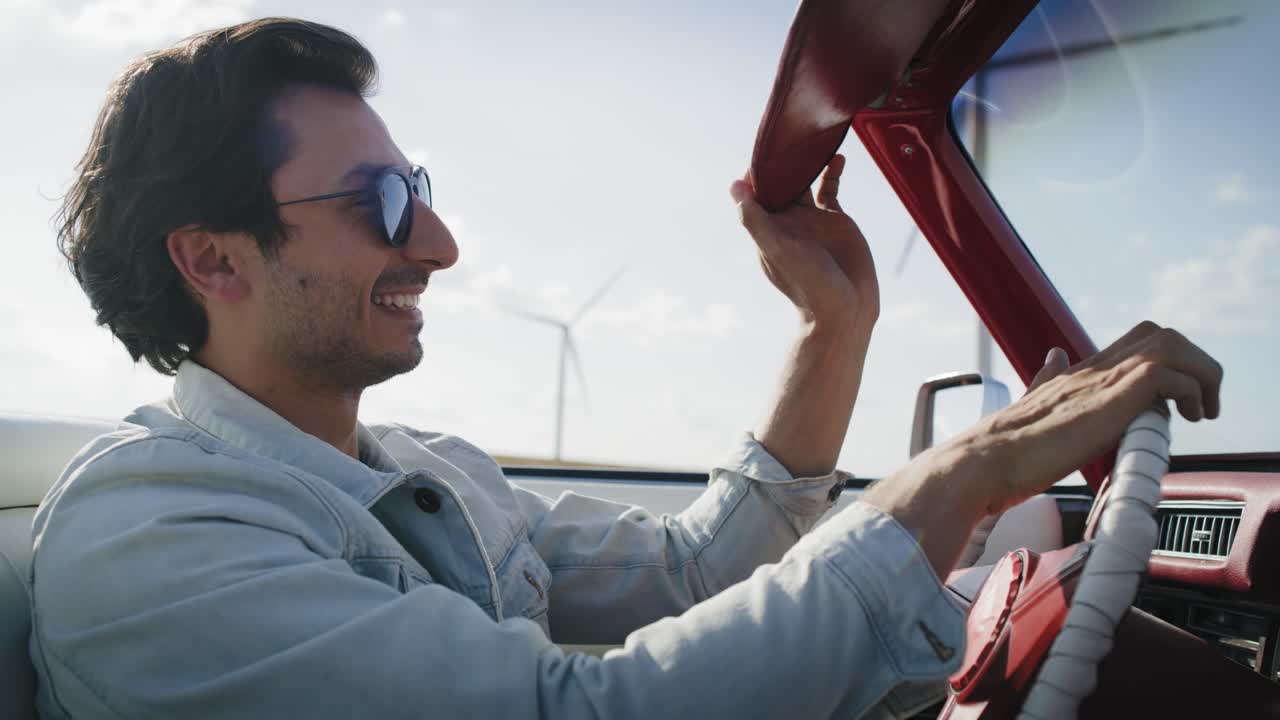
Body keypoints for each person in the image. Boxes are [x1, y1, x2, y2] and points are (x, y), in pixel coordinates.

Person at [30, 17, 1222, 720]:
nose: (438, 246)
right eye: (381, 204)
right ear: (212, 259)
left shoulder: (431, 471)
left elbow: (692, 573)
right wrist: (960, 474)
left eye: (423, 195)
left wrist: (832, 332)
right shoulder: (154, 536)